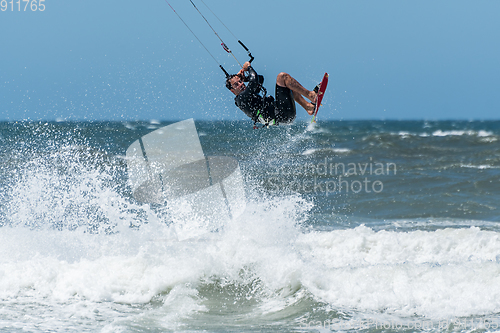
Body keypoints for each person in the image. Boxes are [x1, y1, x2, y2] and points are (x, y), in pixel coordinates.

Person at [226, 61, 317, 126]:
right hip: (282, 114)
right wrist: (249, 67)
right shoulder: (241, 98)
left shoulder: (247, 96)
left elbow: (259, 79)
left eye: (240, 81)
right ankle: (310, 95)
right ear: (232, 91)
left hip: (282, 115)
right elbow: (254, 81)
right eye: (236, 84)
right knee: (282, 77)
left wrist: (245, 78)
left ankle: (308, 107)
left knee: (289, 84)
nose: (241, 84)